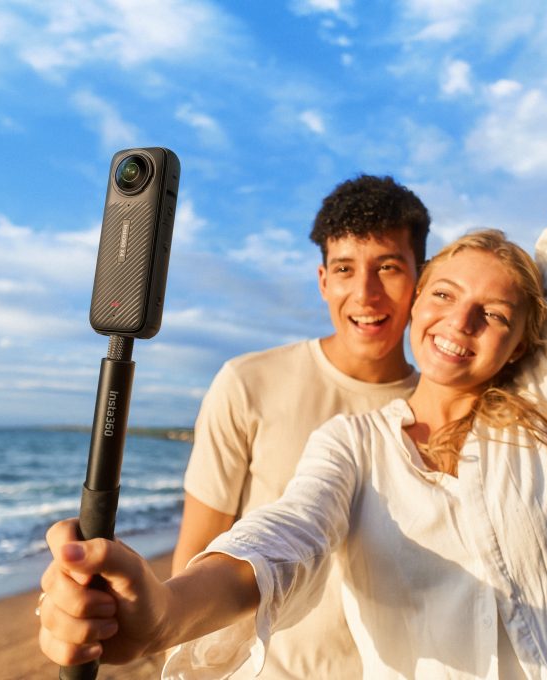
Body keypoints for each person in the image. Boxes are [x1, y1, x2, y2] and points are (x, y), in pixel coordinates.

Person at [38, 0, 547, 677]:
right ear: (417, 301)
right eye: (446, 296)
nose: (461, 321)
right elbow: (279, 537)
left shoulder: (543, 418)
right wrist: (162, 616)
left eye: (496, 314)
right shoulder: (351, 442)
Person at [170, 171, 430, 677]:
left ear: (421, 276)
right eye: (345, 269)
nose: (365, 293)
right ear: (323, 280)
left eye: (389, 267)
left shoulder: (442, 406)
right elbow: (195, 554)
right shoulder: (248, 383)